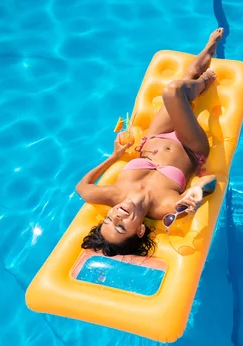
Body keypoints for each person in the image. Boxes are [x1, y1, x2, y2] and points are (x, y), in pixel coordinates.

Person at [75, 28, 224, 257]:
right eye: (121, 227)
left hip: (155, 137)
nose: (116, 216)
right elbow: (212, 182)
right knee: (174, 91)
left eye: (108, 220)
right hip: (190, 146)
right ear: (141, 230)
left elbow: (82, 188)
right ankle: (201, 84)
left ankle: (207, 52)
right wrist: (198, 192)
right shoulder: (166, 208)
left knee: (186, 78)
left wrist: (113, 158)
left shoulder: (114, 195)